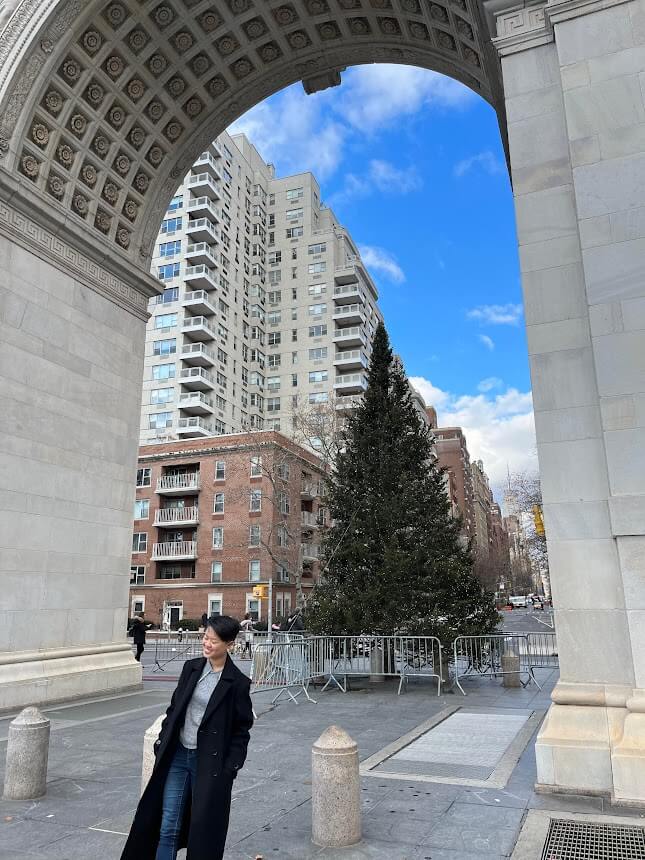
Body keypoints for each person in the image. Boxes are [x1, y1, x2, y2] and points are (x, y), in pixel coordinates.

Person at [121, 615, 253, 860]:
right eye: (205, 637)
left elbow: (242, 728)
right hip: (179, 755)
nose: (207, 643)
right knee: (168, 823)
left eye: (213, 640)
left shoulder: (237, 683)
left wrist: (230, 766)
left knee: (202, 831)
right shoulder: (190, 668)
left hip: (209, 763)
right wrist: (162, 740)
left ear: (230, 644)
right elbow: (174, 708)